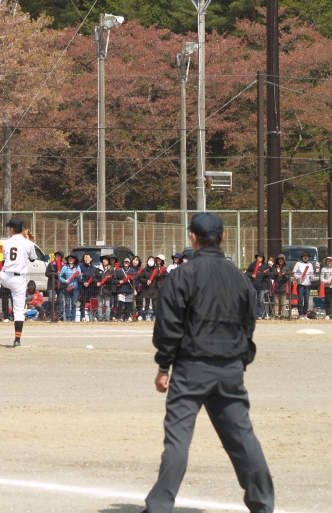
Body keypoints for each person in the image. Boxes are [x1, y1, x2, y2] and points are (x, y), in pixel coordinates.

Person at [143, 212, 273, 513]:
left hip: (191, 366)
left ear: (193, 237)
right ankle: (263, 505)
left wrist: (164, 366)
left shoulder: (182, 275)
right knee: (242, 438)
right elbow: (249, 323)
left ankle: (160, 506)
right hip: (230, 367)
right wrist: (240, 360)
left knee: (178, 440)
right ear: (223, 237)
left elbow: (168, 326)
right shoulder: (240, 278)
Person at [0, 216, 36, 347]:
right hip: (18, 278)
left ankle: (8, 303)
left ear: (12, 229)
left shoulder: (6, 243)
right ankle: (17, 340)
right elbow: (33, 259)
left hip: (4, 276)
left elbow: (7, 257)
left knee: (10, 291)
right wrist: (29, 242)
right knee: (19, 311)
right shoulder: (28, 243)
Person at [245, 251, 268, 319]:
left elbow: (269, 274)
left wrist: (266, 273)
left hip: (262, 285)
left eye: (261, 257)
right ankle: (253, 314)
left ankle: (259, 314)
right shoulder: (252, 265)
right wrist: (251, 275)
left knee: (260, 301)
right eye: (258, 257)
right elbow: (247, 273)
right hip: (253, 285)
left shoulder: (265, 265)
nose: (259, 258)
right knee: (253, 300)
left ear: (263, 258)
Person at [58, 254, 81, 322]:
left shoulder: (77, 267)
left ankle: (73, 318)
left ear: (75, 260)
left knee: (74, 303)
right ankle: (68, 317)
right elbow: (60, 276)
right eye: (69, 258)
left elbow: (81, 277)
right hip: (67, 287)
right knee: (67, 303)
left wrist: (79, 276)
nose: (70, 259)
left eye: (72, 258)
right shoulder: (65, 267)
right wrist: (65, 280)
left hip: (75, 287)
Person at [293, 250, 314, 319]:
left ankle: (305, 314)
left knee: (307, 301)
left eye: (307, 256)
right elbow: (294, 272)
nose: (305, 257)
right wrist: (298, 277)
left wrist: (312, 276)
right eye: (304, 256)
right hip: (300, 284)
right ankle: (300, 314)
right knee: (300, 300)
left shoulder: (310, 265)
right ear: (302, 257)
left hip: (308, 284)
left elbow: (312, 273)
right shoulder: (298, 264)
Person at [46, 251, 65, 321]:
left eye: (59, 256)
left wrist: (61, 274)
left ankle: (58, 316)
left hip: (61, 285)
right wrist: (54, 274)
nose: (57, 257)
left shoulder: (64, 265)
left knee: (59, 301)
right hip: (52, 285)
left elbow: (66, 275)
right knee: (51, 300)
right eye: (56, 256)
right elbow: (46, 273)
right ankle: (49, 316)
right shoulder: (51, 264)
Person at [139, 256, 159, 322]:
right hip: (146, 288)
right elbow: (141, 278)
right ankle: (147, 315)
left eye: (152, 260)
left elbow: (159, 278)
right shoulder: (145, 269)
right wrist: (146, 281)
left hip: (154, 288)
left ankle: (155, 316)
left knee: (155, 304)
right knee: (147, 303)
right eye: (149, 260)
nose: (151, 261)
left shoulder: (156, 269)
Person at [78, 253, 96, 323]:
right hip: (83, 287)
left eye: (88, 257)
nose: (86, 259)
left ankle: (93, 316)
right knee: (83, 302)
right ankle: (83, 317)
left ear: (91, 259)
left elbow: (95, 278)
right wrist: (83, 282)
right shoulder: (80, 267)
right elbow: (79, 277)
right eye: (85, 257)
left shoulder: (94, 268)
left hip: (92, 287)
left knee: (93, 302)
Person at [96, 255, 115, 322]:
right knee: (99, 305)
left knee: (107, 304)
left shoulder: (111, 270)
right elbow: (94, 277)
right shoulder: (98, 268)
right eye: (103, 260)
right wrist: (97, 282)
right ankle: (100, 318)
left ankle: (107, 318)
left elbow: (114, 279)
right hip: (99, 289)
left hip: (107, 289)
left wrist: (109, 279)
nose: (104, 261)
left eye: (106, 260)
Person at [271, 254, 289, 320]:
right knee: (276, 302)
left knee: (283, 303)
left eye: (282, 259)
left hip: (284, 286)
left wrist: (284, 275)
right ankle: (276, 315)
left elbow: (288, 277)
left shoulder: (286, 268)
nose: (281, 261)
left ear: (284, 260)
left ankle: (282, 315)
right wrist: (277, 272)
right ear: (278, 260)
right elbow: (272, 277)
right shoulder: (274, 268)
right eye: (279, 259)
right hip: (276, 286)